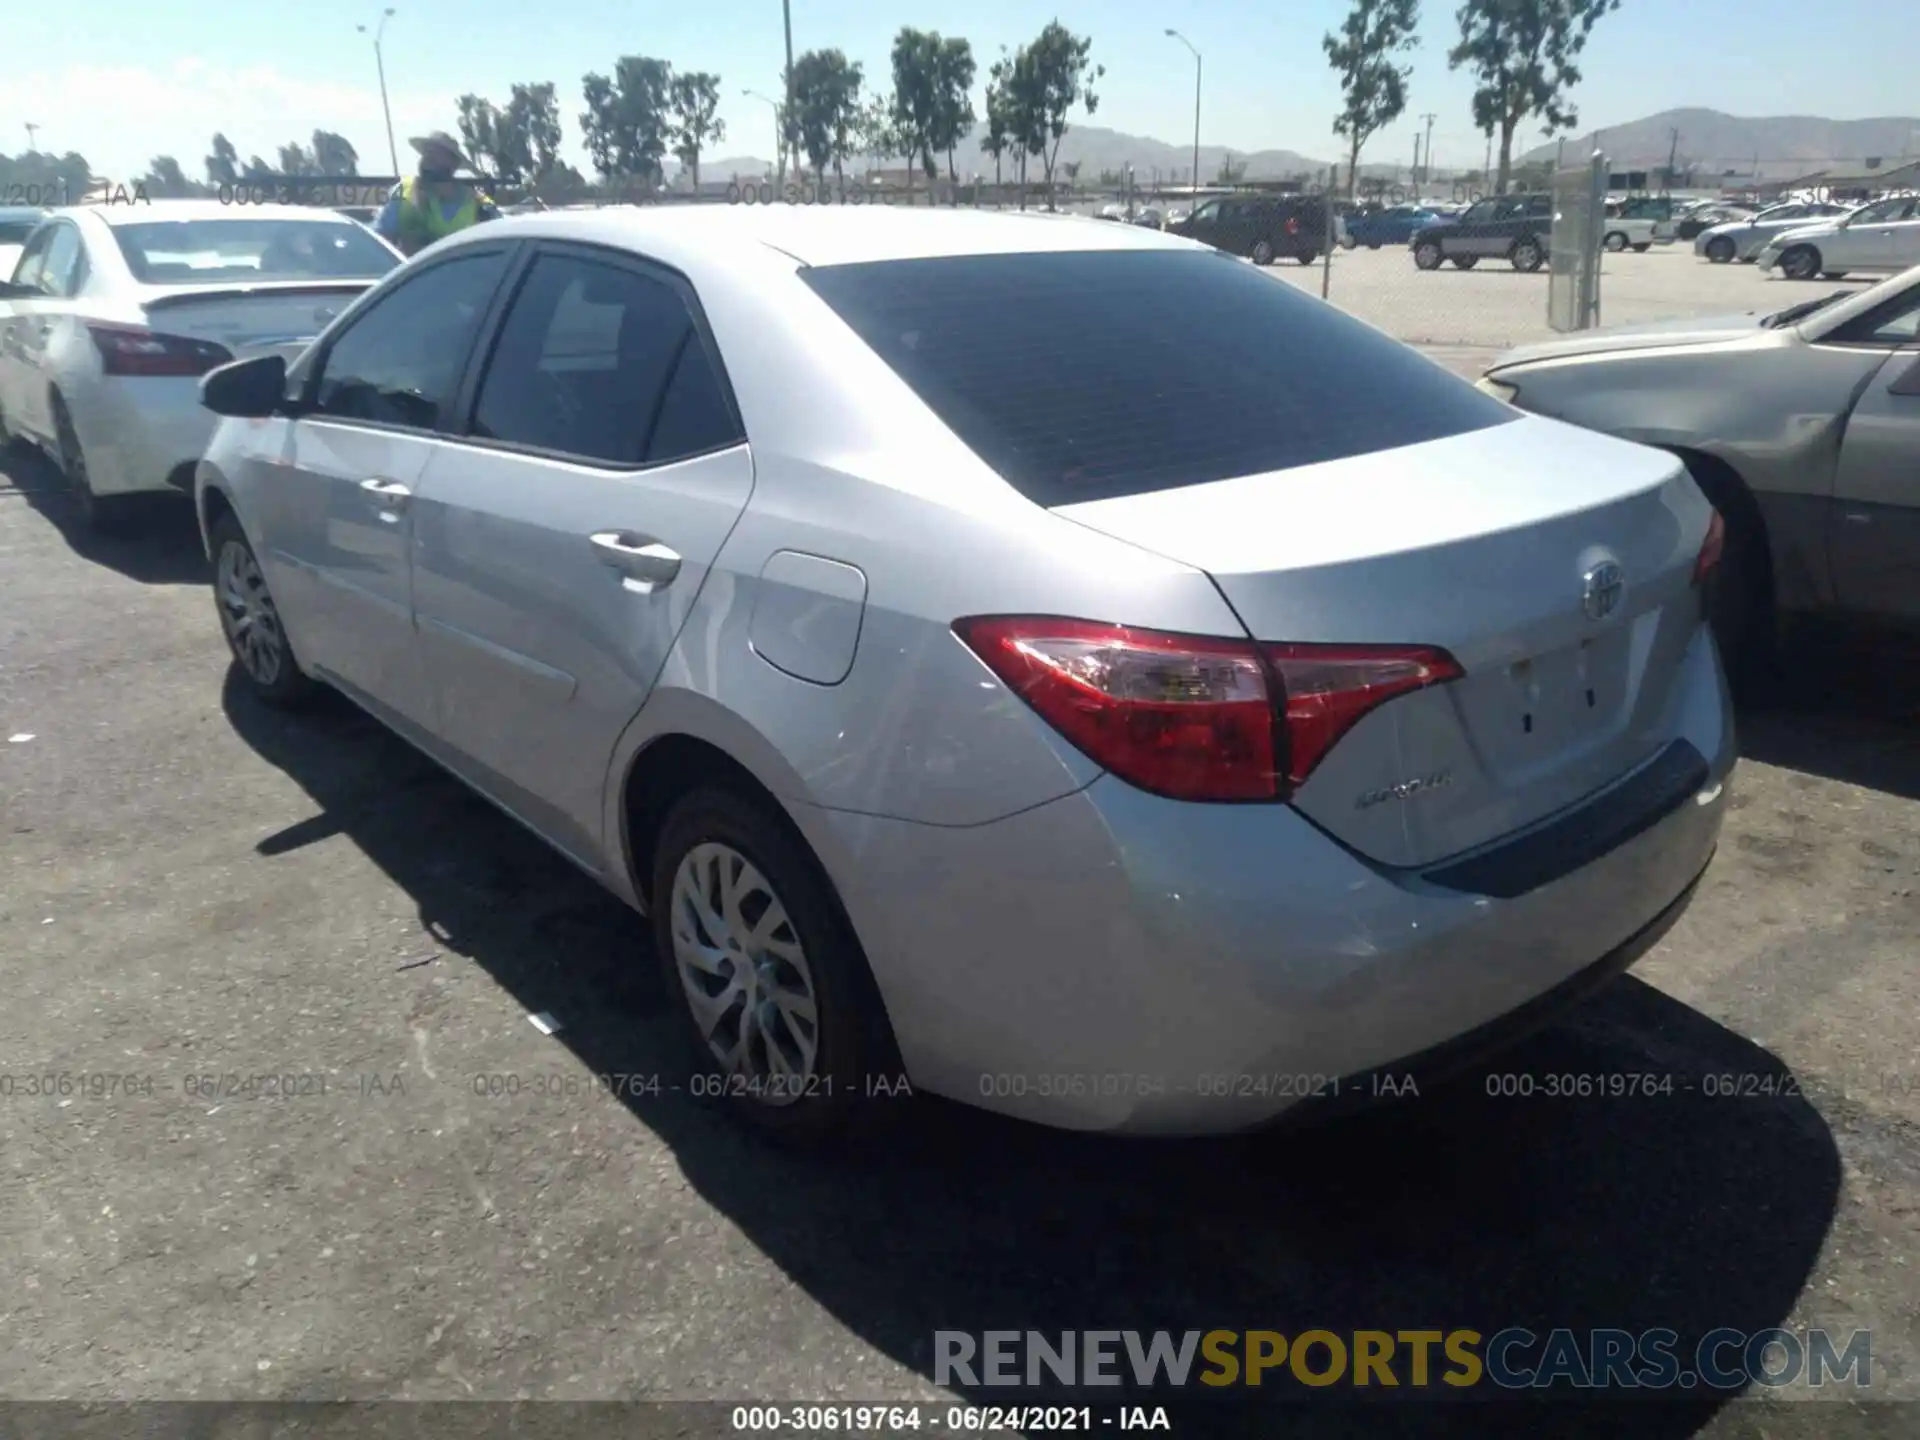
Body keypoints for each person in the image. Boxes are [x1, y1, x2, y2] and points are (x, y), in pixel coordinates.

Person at [374, 132, 500, 256]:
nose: (427, 161)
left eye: (435, 155)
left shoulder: (478, 202)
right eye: (426, 154)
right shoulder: (404, 192)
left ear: (453, 164)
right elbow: (379, 242)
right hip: (416, 274)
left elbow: (500, 240)